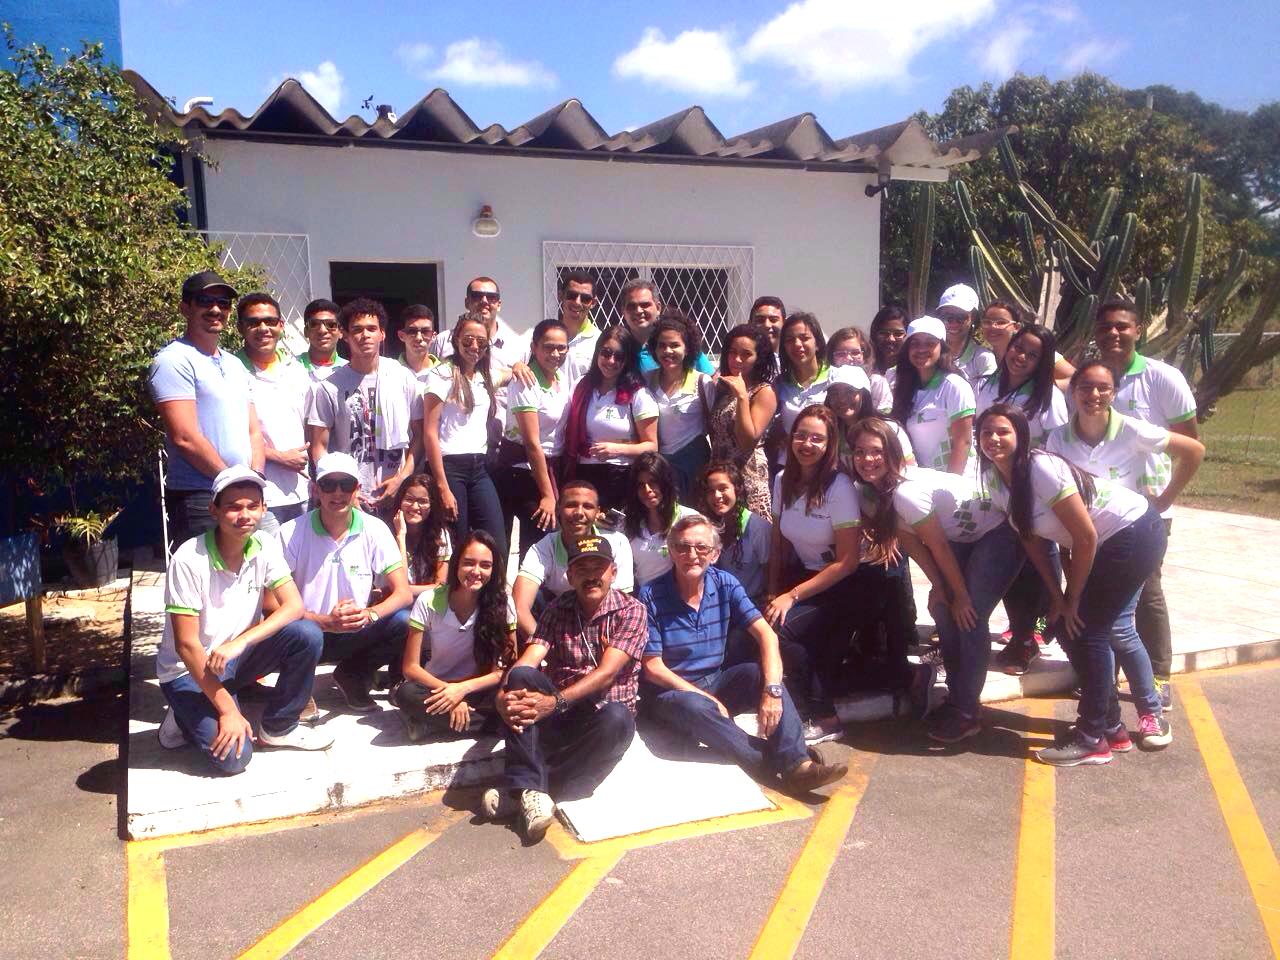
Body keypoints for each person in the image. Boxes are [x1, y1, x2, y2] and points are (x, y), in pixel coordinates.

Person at [976, 404, 1173, 764]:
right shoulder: (996, 480)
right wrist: (1056, 599)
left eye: (1002, 431)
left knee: (1089, 629)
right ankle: (1111, 727)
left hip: (1133, 533)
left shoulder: (1040, 468)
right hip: (1105, 541)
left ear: (1020, 435)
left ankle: (1091, 736)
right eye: (986, 432)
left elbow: (1085, 537)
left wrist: (1073, 597)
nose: (993, 439)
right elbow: (1035, 543)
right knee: (1066, 628)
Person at [639, 515, 849, 791]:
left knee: (759, 674)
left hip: (715, 682)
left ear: (714, 554)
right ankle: (776, 762)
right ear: (672, 552)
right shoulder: (651, 595)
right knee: (695, 705)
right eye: (682, 547)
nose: (692, 555)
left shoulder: (725, 583)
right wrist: (703, 697)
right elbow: (653, 667)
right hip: (672, 696)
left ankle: (797, 763)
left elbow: (767, 636)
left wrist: (772, 691)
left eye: (701, 548)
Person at [851, 419, 1022, 742]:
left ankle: (967, 710)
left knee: (970, 616)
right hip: (964, 538)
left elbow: (939, 546)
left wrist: (961, 595)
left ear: (893, 454)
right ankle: (957, 696)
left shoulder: (906, 491)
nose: (867, 459)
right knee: (943, 610)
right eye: (859, 452)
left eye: (876, 452)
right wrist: (941, 589)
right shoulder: (877, 492)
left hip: (999, 531)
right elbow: (915, 544)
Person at [1047, 359, 1205, 704]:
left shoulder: (1131, 429)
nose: (1094, 394)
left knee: (1122, 622)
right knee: (1087, 620)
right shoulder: (1058, 439)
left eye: (1103, 387)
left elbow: (1194, 450)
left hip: (1130, 538)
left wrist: (1164, 500)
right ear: (1072, 392)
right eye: (1086, 387)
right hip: (1086, 541)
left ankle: (1152, 695)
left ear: (1113, 393)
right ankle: (1101, 683)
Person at [156, 466, 332, 774]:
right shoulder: (188, 558)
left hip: (233, 657)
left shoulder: (264, 544)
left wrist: (240, 642)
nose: (244, 515)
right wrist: (227, 711)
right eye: (234, 506)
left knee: (306, 633)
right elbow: (186, 646)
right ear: (214, 510)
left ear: (264, 508)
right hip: (188, 670)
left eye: (253, 506)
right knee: (234, 759)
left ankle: (278, 727)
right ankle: (185, 714)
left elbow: (294, 606)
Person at [481, 534, 647, 844]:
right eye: (581, 568)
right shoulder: (558, 608)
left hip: (604, 716)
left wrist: (553, 703)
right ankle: (531, 791)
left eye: (598, 567)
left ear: (613, 572)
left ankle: (523, 791)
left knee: (616, 717)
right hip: (565, 713)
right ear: (569, 576)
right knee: (521, 679)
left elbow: (607, 672)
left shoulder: (631, 611)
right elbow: (531, 657)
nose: (591, 575)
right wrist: (502, 694)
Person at [1093, 298, 1200, 710]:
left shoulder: (1161, 378)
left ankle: (1158, 674)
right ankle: (1109, 672)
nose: (1114, 334)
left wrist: (1167, 498)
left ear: (1138, 330)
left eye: (1122, 326)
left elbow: (1190, 443)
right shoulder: (1094, 380)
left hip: (1147, 511)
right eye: (1106, 328)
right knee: (1101, 589)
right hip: (1099, 509)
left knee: (1146, 589)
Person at [280, 453, 413, 712]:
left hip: (356, 628)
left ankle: (352, 674)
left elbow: (403, 593)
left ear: (357, 490)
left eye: (346, 485)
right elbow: (270, 602)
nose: (337, 493)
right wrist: (322, 621)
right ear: (315, 489)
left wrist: (369, 615)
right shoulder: (291, 532)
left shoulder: (375, 529)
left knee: (405, 621)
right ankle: (298, 686)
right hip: (308, 631)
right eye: (329, 485)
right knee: (298, 630)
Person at [974, 322, 1070, 673]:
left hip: (1035, 492)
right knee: (1013, 568)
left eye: (1033, 355)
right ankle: (1027, 629)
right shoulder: (987, 387)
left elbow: (1060, 446)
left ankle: (1032, 636)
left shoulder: (1048, 398)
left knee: (1038, 568)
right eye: (1019, 348)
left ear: (1042, 362)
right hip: (996, 490)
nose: (1022, 357)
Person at [766, 405, 862, 743]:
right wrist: (772, 590)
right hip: (801, 577)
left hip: (841, 584)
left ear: (829, 445)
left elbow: (848, 561)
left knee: (782, 633)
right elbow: (778, 543)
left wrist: (791, 597)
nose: (807, 444)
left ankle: (824, 716)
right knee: (764, 625)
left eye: (817, 439)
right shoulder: (782, 480)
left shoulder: (840, 488)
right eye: (801, 435)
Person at [150, 270, 265, 548]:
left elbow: (253, 431)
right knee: (204, 585)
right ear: (185, 308)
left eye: (223, 304)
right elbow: (185, 437)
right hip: (201, 498)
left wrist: (254, 481)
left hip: (243, 497)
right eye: (205, 301)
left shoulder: (235, 364)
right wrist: (232, 483)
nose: (216, 309)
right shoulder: (173, 361)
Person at [392, 530, 515, 741]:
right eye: (468, 563)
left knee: (513, 695)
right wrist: (452, 694)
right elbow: (410, 667)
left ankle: (435, 724)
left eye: (485, 565)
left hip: (479, 687)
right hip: (436, 686)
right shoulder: (428, 600)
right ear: (456, 563)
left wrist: (463, 690)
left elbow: (504, 669)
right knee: (406, 694)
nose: (476, 571)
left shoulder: (503, 603)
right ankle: (486, 725)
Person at [308, 297, 423, 514]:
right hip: (349, 497)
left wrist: (402, 478)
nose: (365, 335)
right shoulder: (329, 387)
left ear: (382, 334)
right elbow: (319, 447)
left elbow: (419, 436)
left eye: (371, 328)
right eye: (357, 329)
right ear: (345, 335)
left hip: (396, 493)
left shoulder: (403, 377)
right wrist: (341, 490)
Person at [422, 314, 507, 555]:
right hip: (449, 468)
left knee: (495, 543)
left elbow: (509, 373)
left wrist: (520, 366)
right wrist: (442, 487)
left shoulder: (484, 376)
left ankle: (493, 592)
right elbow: (429, 432)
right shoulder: (442, 375)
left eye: (482, 342)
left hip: (479, 468)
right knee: (457, 544)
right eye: (468, 340)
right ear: (456, 339)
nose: (474, 347)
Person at [513, 479, 636, 640]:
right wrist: (544, 647)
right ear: (558, 509)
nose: (579, 512)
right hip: (560, 623)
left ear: (598, 511)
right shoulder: (544, 547)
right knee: (532, 601)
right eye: (571, 505)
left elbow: (622, 606)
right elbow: (519, 607)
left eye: (588, 506)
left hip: (605, 624)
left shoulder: (617, 542)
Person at [233, 292, 311, 535]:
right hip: (259, 498)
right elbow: (230, 436)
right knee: (265, 567)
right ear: (240, 328)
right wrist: (278, 456)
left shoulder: (296, 370)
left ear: (281, 325)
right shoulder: (231, 371)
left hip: (304, 493)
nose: (263, 328)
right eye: (254, 322)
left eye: (269, 321)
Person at [562, 325, 659, 512]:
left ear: (627, 359)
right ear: (598, 352)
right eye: (606, 353)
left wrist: (616, 449)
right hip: (583, 474)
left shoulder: (638, 394)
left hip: (620, 476)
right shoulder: (582, 386)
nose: (611, 361)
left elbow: (652, 446)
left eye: (619, 356)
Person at [499, 319, 573, 559]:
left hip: (553, 468)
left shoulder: (561, 379)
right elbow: (532, 444)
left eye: (561, 347)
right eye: (548, 346)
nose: (555, 353)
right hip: (524, 473)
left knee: (552, 543)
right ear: (534, 347)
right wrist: (548, 495)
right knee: (539, 545)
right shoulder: (525, 382)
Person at [774, 312, 869, 470]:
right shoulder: (779, 383)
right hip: (789, 467)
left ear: (817, 343)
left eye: (804, 338)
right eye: (790, 340)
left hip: (829, 467)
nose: (797, 344)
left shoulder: (836, 378)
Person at [707, 323, 777, 517]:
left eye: (746, 354)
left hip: (748, 478)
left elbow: (747, 441)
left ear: (758, 358)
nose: (737, 359)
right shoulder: (724, 388)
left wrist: (742, 397)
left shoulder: (763, 392)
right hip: (721, 480)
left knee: (751, 540)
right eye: (732, 352)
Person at [890, 315, 976, 474]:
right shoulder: (905, 389)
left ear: (942, 348)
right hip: (926, 481)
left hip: (957, 481)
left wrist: (951, 484)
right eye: (915, 344)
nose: (921, 349)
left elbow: (963, 442)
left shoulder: (954, 386)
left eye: (930, 343)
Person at [645, 314, 714, 496]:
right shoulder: (646, 380)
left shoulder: (702, 382)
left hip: (693, 463)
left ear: (687, 348)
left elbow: (714, 426)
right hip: (659, 464)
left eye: (675, 345)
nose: (668, 351)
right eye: (662, 345)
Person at [623, 452, 703, 588]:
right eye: (641, 485)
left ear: (666, 483)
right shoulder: (627, 520)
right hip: (642, 601)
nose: (647, 490)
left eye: (653, 482)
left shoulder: (690, 518)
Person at [429, 277, 529, 381]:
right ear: (467, 303)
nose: (484, 301)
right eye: (477, 296)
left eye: (491, 297)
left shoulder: (518, 347)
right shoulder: (443, 341)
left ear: (499, 305)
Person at [824, 366, 915, 473]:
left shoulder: (889, 428)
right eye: (834, 393)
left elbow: (909, 469)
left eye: (850, 391)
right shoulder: (831, 432)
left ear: (864, 394)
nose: (842, 399)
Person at [620, 279, 715, 374]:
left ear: (658, 308)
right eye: (632, 306)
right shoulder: (617, 349)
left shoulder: (681, 343)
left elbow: (713, 379)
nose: (638, 311)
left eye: (645, 305)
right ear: (623, 311)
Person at [979, 300, 1074, 386]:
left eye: (1001, 322)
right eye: (987, 322)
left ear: (1017, 327)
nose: (993, 327)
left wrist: (1041, 390)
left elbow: (1074, 379)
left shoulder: (1039, 353)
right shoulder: (983, 358)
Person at [391, 473, 452, 594]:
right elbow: (400, 584)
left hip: (426, 603)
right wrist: (400, 536)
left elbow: (441, 586)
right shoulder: (386, 532)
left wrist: (406, 590)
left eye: (422, 501)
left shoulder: (440, 535)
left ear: (432, 505)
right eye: (409, 499)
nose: (415, 507)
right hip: (396, 605)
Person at [936, 283, 997, 386]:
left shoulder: (983, 359)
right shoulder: (929, 353)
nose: (954, 323)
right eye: (947, 317)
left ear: (972, 318)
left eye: (961, 317)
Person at [827, 326, 892, 414]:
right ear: (832, 357)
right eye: (841, 354)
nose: (848, 358)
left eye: (855, 353)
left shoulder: (877, 383)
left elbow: (885, 415)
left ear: (864, 355)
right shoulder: (827, 384)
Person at [556, 270, 602, 380]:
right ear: (560, 296)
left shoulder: (600, 342)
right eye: (572, 295)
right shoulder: (545, 337)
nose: (577, 302)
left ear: (593, 303)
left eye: (585, 298)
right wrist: (518, 366)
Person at [298, 298, 348, 381]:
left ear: (341, 332)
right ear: (305, 331)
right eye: (314, 324)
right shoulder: (289, 368)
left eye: (331, 324)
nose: (322, 330)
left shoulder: (350, 371)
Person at [869, 304, 909, 389]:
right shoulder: (866, 368)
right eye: (883, 333)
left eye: (898, 334)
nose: (891, 339)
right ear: (874, 334)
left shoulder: (914, 371)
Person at [396, 304, 439, 383]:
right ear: (401, 335)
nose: (418, 338)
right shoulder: (390, 373)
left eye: (425, 331)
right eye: (412, 331)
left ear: (433, 336)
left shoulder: (445, 374)